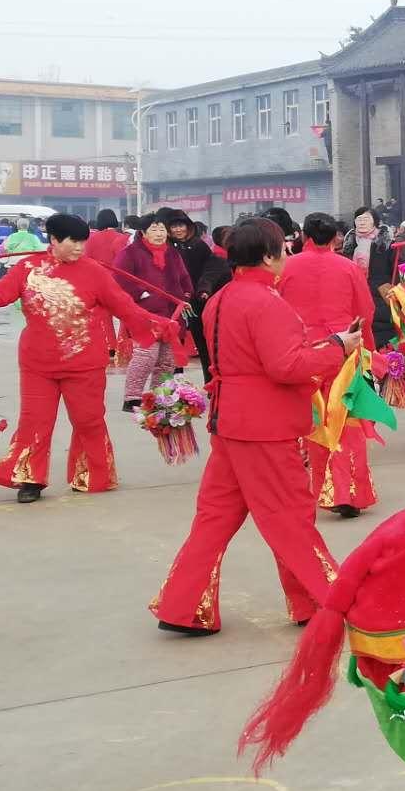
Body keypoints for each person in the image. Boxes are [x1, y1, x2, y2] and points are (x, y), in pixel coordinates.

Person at [150, 219, 360, 635]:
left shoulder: (223, 297)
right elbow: (286, 366)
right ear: (267, 256)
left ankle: (183, 606)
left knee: (214, 518)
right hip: (265, 425)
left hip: (230, 419)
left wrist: (327, 345)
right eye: (282, 249)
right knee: (289, 516)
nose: (286, 256)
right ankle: (325, 601)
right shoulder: (266, 302)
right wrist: (337, 347)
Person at [0, 215, 176, 503]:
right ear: (54, 239)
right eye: (73, 241)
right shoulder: (28, 268)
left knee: (88, 420)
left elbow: (125, 306)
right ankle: (29, 478)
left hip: (85, 362)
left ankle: (91, 474)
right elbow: (0, 292)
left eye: (83, 242)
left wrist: (158, 324)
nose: (80, 248)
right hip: (38, 363)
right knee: (34, 421)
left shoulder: (94, 272)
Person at [287, 212, 378, 517]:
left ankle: (321, 487)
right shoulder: (348, 267)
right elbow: (365, 311)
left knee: (313, 418)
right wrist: (369, 351)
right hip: (345, 349)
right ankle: (348, 490)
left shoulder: (288, 267)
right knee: (346, 419)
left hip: (305, 351)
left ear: (304, 235)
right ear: (336, 237)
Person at [113, 212, 196, 411]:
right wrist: (141, 294)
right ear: (143, 232)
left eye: (162, 229)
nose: (159, 234)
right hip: (145, 314)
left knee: (167, 360)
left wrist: (185, 296)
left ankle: (160, 396)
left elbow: (184, 278)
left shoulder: (172, 254)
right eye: (154, 229)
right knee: (146, 355)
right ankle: (132, 397)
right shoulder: (130, 253)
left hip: (171, 314)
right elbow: (119, 278)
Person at [341, 207, 405, 348]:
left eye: (366, 219)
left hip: (381, 299)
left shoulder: (387, 245)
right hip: (354, 298)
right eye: (359, 219)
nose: (362, 222)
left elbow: (404, 269)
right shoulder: (348, 246)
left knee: (383, 343)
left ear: (376, 222)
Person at [166, 212, 217, 380]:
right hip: (172, 302)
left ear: (188, 227)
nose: (178, 230)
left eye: (181, 225)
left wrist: (204, 289)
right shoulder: (166, 248)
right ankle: (173, 381)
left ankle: (210, 381)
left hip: (195, 302)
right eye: (174, 226)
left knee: (202, 341)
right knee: (172, 340)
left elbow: (210, 269)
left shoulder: (199, 246)